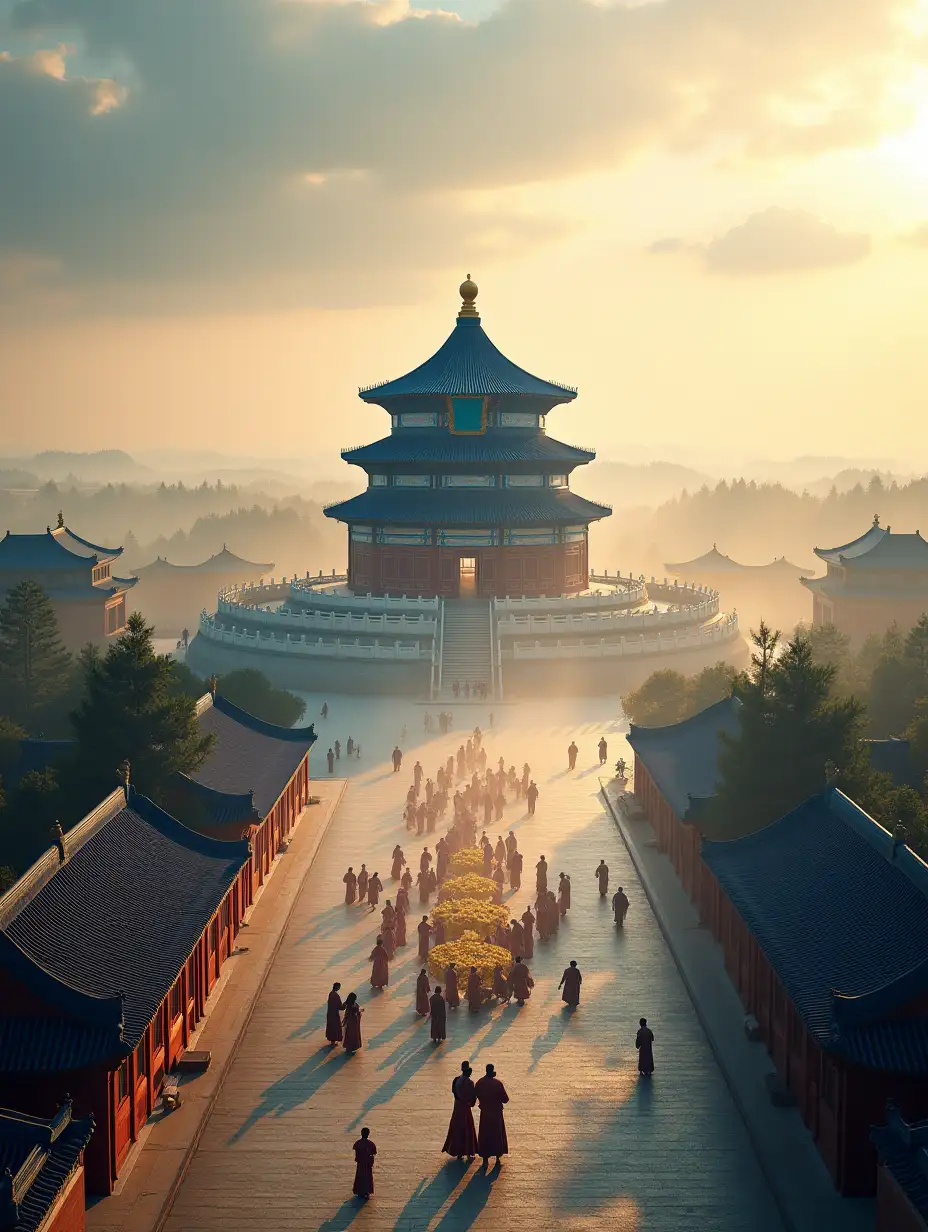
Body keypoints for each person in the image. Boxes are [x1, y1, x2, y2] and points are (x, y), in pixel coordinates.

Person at [474, 1064, 509, 1166]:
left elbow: (475, 1097)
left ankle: (485, 1157)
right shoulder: (497, 1083)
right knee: (497, 1134)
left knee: (485, 1134)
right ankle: (498, 1156)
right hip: (496, 1112)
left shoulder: (480, 1083)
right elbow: (505, 1099)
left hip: (485, 1113)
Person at [442, 1062, 478, 1160]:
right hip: (465, 1109)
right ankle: (468, 1150)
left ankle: (458, 1151)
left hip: (457, 1108)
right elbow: (472, 1098)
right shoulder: (469, 1083)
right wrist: (471, 1103)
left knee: (457, 1128)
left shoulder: (456, 1080)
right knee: (467, 1128)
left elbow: (454, 1092)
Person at [352, 1127, 376, 1199]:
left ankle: (359, 1190)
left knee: (360, 1176)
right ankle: (366, 1191)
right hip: (367, 1163)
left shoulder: (358, 1143)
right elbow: (374, 1152)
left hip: (360, 1163)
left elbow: (356, 1153)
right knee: (367, 1177)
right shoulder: (371, 1144)